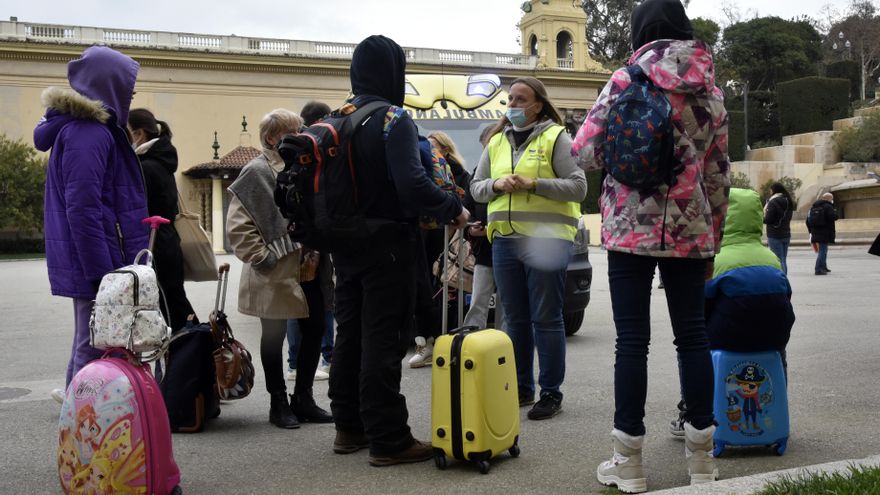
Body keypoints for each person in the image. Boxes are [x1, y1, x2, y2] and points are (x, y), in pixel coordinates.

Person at [572, 0, 730, 490]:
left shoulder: (623, 80)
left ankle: (629, 463)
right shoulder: (711, 90)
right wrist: (714, 238)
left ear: (642, 30)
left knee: (631, 343)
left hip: (628, 229)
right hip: (691, 229)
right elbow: (719, 174)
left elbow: (584, 150)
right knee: (694, 339)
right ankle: (702, 461)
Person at [329, 35, 468, 466]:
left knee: (349, 336)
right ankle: (389, 437)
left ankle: (349, 426)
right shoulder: (393, 118)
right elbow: (412, 184)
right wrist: (454, 209)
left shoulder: (340, 117)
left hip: (344, 244)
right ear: (394, 71)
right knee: (384, 341)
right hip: (388, 243)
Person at [34, 46, 148, 403]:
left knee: (90, 341)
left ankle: (80, 424)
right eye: (128, 84)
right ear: (107, 83)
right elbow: (82, 208)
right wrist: (103, 274)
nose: (132, 93)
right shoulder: (90, 133)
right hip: (100, 261)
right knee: (94, 345)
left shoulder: (89, 131)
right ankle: (83, 431)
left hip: (98, 257)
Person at [470, 76, 587, 421]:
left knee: (546, 318)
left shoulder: (556, 137)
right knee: (515, 319)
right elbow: (476, 188)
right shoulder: (495, 142)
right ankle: (521, 387)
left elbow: (579, 187)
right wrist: (496, 184)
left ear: (538, 105)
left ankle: (551, 391)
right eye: (510, 100)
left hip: (546, 240)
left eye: (521, 100)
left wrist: (535, 184)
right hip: (505, 239)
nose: (514, 107)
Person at [227, 108, 332, 429]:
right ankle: (278, 402)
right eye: (294, 130)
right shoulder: (255, 172)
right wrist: (265, 257)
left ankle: (304, 398)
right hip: (274, 271)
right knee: (273, 337)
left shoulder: (307, 164)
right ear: (273, 137)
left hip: (311, 265)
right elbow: (238, 228)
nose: (302, 134)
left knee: (315, 329)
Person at [669, 188, 794, 435]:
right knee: (779, 354)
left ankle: (690, 412)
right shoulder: (771, 258)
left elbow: (700, 309)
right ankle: (775, 407)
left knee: (689, 343)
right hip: (775, 336)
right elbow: (785, 297)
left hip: (729, 337)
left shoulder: (716, 261)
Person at [127, 108, 197, 332]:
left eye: (126, 132)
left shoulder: (145, 167)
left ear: (138, 134)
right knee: (174, 301)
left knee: (170, 306)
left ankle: (195, 351)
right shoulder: (161, 163)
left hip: (156, 244)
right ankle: (195, 349)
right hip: (167, 243)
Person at [286, 100, 334, 382]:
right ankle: (324, 358)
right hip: (312, 241)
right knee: (320, 303)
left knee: (300, 305)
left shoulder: (293, 150)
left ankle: (298, 363)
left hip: (300, 240)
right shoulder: (312, 149)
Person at [763, 182, 794, 274]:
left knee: (778, 260)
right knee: (783, 259)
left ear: (774, 190)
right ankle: (785, 279)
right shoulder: (789, 200)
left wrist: (762, 218)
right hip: (786, 233)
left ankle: (782, 281)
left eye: (771, 189)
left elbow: (769, 219)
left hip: (774, 234)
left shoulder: (773, 202)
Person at [806, 192, 838, 275]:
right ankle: (818, 269)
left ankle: (823, 267)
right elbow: (833, 217)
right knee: (823, 250)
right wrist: (835, 212)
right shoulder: (828, 206)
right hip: (825, 231)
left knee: (823, 250)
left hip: (815, 231)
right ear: (829, 199)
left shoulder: (814, 206)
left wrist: (811, 231)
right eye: (832, 199)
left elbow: (807, 220)